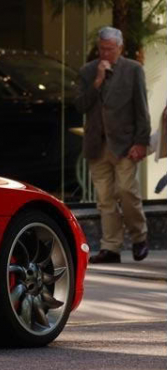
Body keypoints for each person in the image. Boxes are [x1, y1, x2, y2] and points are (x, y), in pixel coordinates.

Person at [74, 26, 150, 264]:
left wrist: (141, 142)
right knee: (105, 198)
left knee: (127, 191)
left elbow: (142, 109)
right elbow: (80, 105)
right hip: (97, 144)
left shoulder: (133, 70)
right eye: (102, 49)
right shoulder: (87, 71)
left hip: (125, 144)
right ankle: (111, 247)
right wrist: (97, 81)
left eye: (110, 49)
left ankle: (140, 236)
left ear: (120, 48)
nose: (105, 53)